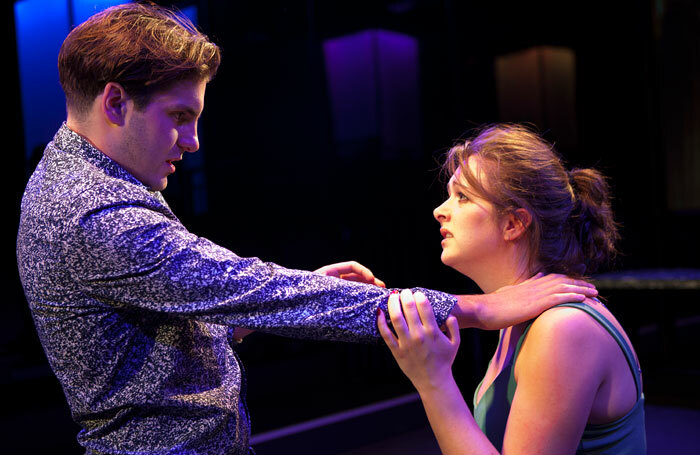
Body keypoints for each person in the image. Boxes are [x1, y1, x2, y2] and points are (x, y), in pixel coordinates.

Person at [15, 4, 598, 454]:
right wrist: (477, 310)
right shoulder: (91, 209)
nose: (192, 142)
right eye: (179, 118)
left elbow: (160, 324)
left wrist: (271, 310)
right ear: (115, 101)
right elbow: (252, 287)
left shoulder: (85, 182)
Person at [378, 124, 646, 454]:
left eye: (462, 197)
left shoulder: (562, 328)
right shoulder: (520, 318)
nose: (440, 210)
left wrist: (433, 381)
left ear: (513, 224)